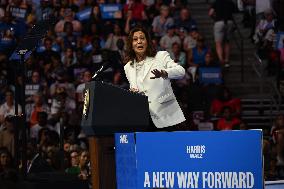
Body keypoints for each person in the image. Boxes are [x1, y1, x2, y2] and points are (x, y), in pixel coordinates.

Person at [124, 27, 186, 130]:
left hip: (165, 115)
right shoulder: (128, 67)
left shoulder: (161, 56)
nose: (139, 41)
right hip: (143, 118)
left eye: (142, 38)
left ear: (147, 41)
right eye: (135, 39)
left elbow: (181, 71)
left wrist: (164, 73)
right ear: (131, 44)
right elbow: (135, 88)